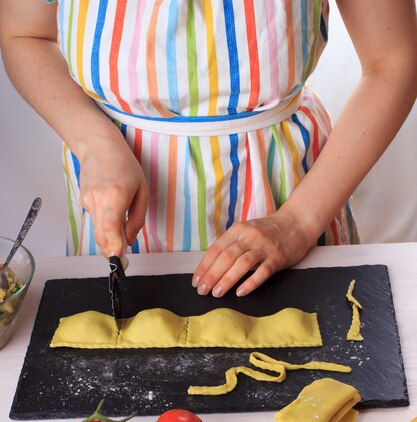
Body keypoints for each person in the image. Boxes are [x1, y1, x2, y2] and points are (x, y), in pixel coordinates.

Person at [0, 1, 415, 298]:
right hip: (119, 196)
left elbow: (394, 61)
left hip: (292, 198)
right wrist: (94, 143)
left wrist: (298, 223)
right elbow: (24, 34)